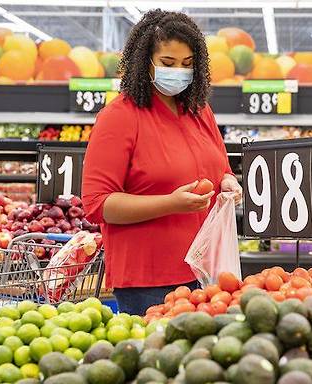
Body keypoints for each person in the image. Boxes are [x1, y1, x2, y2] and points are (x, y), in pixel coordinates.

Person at [82, 9, 242, 316]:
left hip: (206, 270)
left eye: (187, 64)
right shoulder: (119, 118)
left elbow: (220, 166)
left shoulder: (198, 110)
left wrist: (228, 181)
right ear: (145, 62)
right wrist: (170, 203)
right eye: (168, 64)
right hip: (149, 281)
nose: (178, 72)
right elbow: (98, 204)